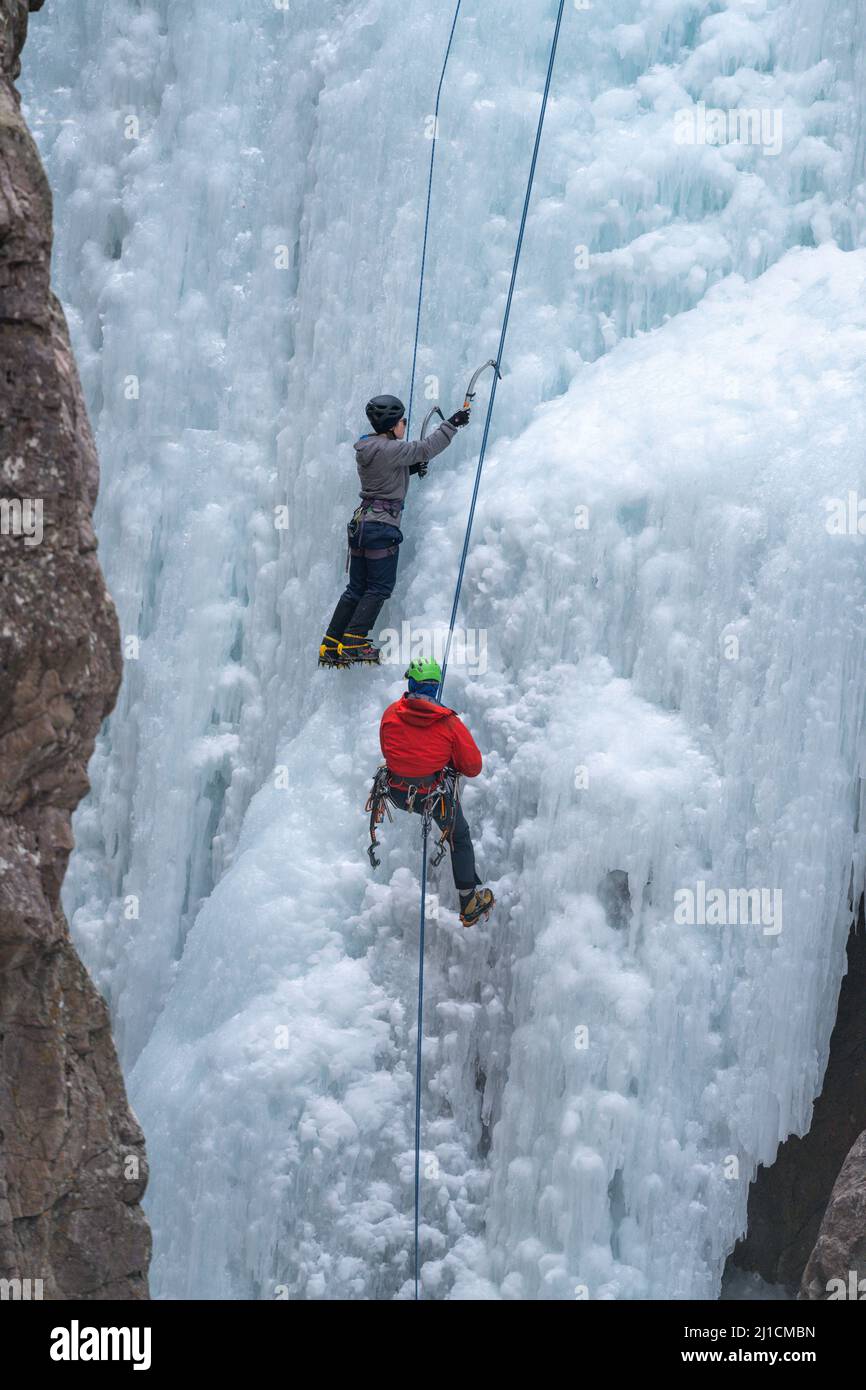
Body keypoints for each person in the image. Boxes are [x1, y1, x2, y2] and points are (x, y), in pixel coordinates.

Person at [319, 394, 471, 667]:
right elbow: (426, 448)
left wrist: (409, 470)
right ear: (391, 424)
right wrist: (452, 424)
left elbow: (385, 476)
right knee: (379, 587)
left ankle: (331, 644)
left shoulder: (369, 448)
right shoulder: (391, 450)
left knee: (356, 588)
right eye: (402, 420)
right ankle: (354, 641)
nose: (404, 424)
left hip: (362, 525)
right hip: (381, 528)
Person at [378, 658, 495, 928]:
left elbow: (388, 749)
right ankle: (468, 901)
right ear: (435, 687)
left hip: (397, 792)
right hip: (435, 797)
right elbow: (473, 767)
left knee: (444, 817)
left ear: (411, 683)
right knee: (459, 836)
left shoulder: (390, 714)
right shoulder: (448, 723)